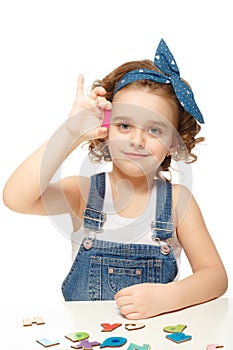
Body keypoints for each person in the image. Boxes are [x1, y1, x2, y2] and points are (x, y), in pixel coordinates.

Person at [3, 39, 228, 320]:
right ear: (105, 129)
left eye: (155, 130)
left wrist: (169, 296)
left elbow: (215, 276)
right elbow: (16, 198)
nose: (136, 140)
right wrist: (71, 132)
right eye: (124, 125)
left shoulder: (178, 202)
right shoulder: (84, 192)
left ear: (174, 142)